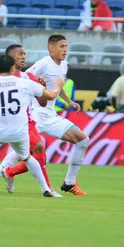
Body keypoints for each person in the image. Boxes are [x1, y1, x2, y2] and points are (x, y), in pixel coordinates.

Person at [0, 54, 63, 197]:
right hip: (19, 132)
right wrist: (58, 86)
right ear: (13, 68)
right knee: (28, 158)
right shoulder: (25, 82)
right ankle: (45, 189)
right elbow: (51, 96)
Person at [25, 34, 89, 196]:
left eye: (66, 46)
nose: (65, 50)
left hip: (50, 116)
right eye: (61, 46)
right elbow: (25, 77)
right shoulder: (44, 63)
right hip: (36, 113)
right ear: (51, 48)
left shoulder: (64, 65)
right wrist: (38, 85)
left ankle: (69, 182)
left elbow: (58, 88)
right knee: (22, 148)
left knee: (82, 140)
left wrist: (69, 102)